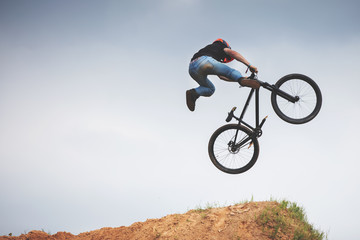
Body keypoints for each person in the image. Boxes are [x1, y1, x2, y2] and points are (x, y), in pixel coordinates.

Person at [186, 39, 259, 111]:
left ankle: (193, 93)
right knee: (230, 71)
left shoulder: (209, 49)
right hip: (205, 61)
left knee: (210, 89)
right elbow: (233, 53)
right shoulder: (221, 46)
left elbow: (221, 76)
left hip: (192, 68)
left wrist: (239, 79)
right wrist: (249, 65)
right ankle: (241, 79)